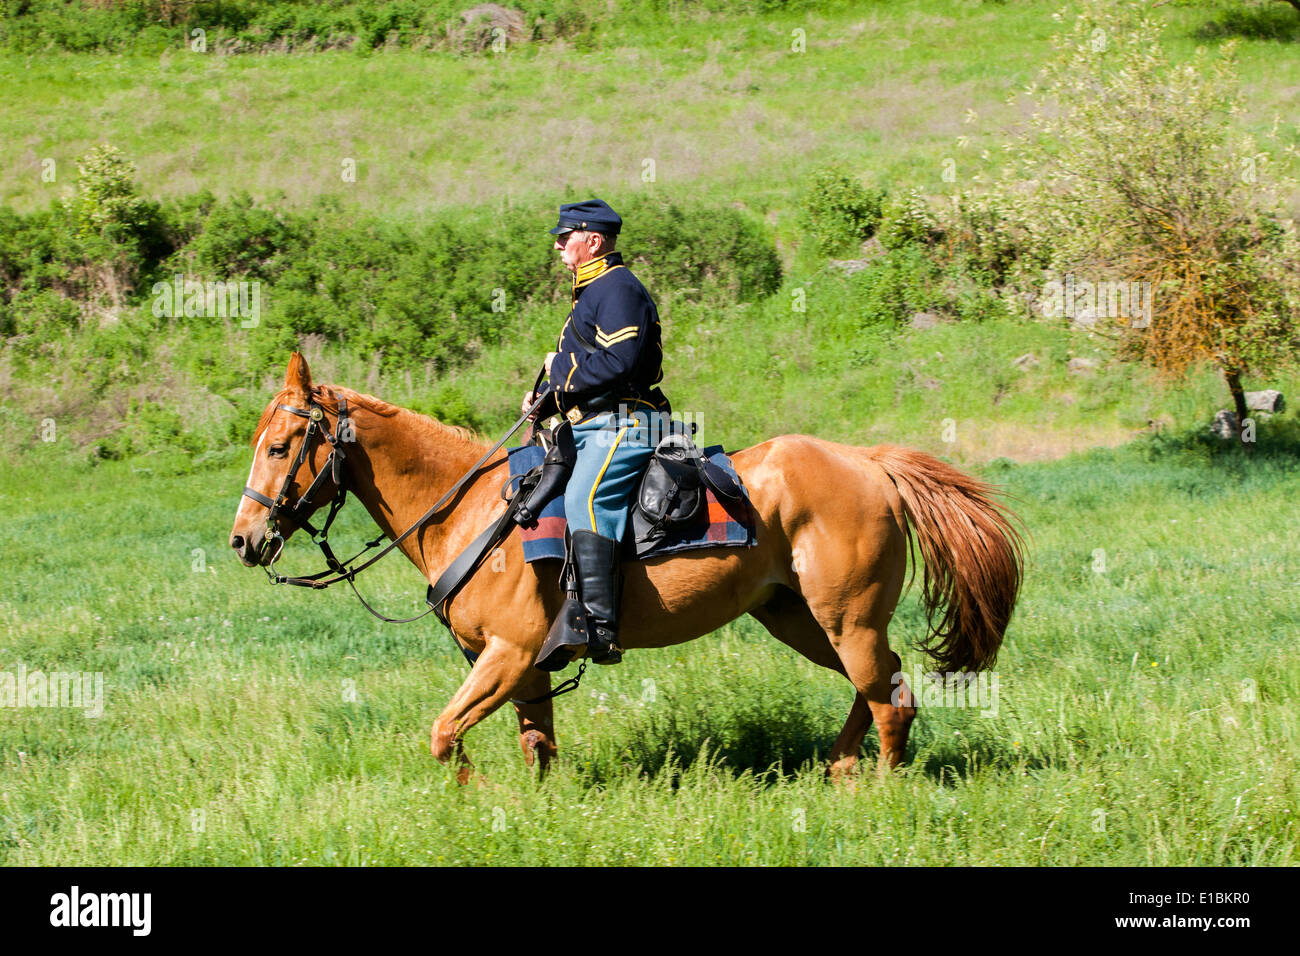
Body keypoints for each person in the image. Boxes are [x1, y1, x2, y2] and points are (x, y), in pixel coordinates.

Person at [522, 199, 670, 669]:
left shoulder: (617, 288)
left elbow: (620, 363)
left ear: (595, 241)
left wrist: (559, 377)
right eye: (560, 236)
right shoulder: (590, 292)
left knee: (585, 499)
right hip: (592, 422)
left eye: (567, 236)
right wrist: (546, 397)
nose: (559, 243)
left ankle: (600, 627)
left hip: (627, 421)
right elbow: (587, 368)